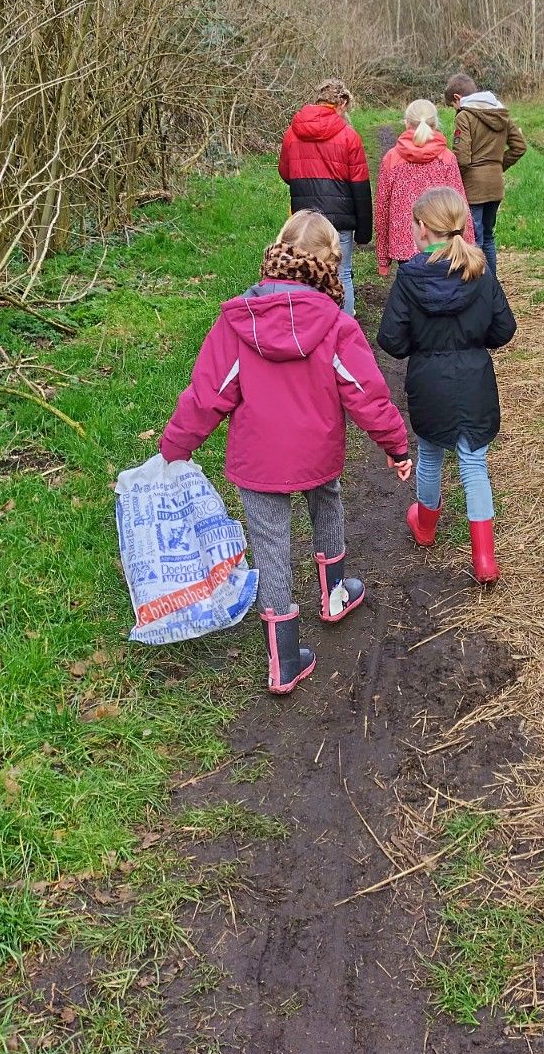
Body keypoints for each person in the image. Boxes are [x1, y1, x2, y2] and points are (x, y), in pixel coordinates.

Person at [160, 211, 412, 696]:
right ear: (329, 266)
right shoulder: (336, 325)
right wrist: (395, 444)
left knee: (272, 544)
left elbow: (208, 393)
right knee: (327, 502)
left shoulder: (238, 322)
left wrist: (176, 448)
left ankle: (282, 662)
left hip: (258, 460)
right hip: (316, 451)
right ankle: (335, 595)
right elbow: (366, 391)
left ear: (276, 257)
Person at [376, 186, 516, 584]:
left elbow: (391, 339)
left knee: (432, 456)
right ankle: (485, 559)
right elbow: (504, 328)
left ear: (422, 229)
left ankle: (424, 526)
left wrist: (420, 343)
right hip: (474, 381)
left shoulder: (410, 276)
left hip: (429, 382)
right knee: (474, 463)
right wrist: (473, 340)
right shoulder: (479, 269)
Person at [277, 78, 371, 315]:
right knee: (343, 273)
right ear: (341, 103)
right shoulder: (349, 137)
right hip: (340, 221)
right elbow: (360, 187)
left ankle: (309, 325)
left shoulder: (292, 132)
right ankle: (345, 329)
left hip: (304, 221)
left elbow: (286, 173)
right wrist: (364, 231)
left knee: (305, 276)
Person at [374, 99, 473, 276]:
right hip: (442, 239)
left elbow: (382, 209)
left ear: (406, 123)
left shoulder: (392, 158)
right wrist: (468, 245)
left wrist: (383, 258)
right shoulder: (447, 158)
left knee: (410, 293)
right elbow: (460, 204)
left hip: (403, 244)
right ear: (435, 124)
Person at [443, 74, 527, 279]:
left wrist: (455, 182)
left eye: (452, 105)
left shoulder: (464, 116)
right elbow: (520, 147)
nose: (455, 110)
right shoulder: (501, 112)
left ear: (457, 97)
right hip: (495, 186)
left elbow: (461, 158)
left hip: (473, 188)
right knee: (488, 237)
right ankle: (492, 284)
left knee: (474, 239)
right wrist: (497, 167)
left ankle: (478, 285)